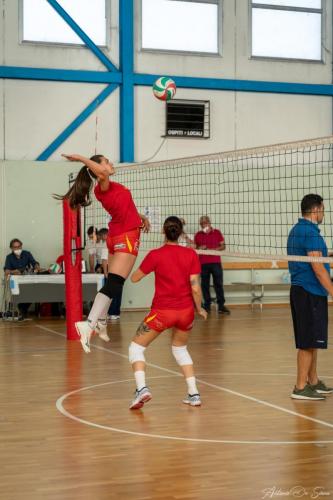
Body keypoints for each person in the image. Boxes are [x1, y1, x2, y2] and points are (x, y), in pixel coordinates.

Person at [56, 153, 150, 352]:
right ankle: (89, 324)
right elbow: (99, 171)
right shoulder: (103, 183)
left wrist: (140, 216)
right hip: (126, 236)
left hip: (117, 234)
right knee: (116, 283)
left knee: (113, 283)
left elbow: (123, 208)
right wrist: (80, 158)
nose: (111, 163)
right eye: (106, 161)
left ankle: (101, 322)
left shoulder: (110, 187)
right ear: (99, 170)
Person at [128, 216, 207, 410]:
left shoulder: (156, 255)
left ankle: (141, 389)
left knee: (135, 349)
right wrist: (200, 309)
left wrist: (131, 256)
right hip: (186, 312)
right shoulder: (191, 254)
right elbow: (195, 287)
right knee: (180, 349)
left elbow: (135, 278)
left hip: (163, 312)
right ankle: (194, 394)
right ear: (181, 232)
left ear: (163, 232)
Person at [287, 193, 333, 400]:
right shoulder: (311, 233)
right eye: (323, 209)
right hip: (309, 292)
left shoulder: (297, 230)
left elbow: (312, 257)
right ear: (315, 210)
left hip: (301, 291)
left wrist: (328, 255)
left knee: (312, 340)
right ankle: (300, 387)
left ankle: (313, 381)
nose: (323, 213)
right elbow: (318, 269)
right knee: (307, 342)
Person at [194, 216, 230, 315]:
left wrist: (213, 250)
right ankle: (207, 306)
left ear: (209, 222)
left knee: (218, 284)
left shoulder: (217, 232)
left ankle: (221, 306)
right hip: (203, 263)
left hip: (215, 262)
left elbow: (223, 246)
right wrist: (199, 248)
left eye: (205, 223)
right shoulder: (198, 235)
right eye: (201, 224)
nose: (203, 225)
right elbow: (195, 248)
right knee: (204, 285)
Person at [4, 238, 40, 318]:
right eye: (15, 247)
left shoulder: (27, 254)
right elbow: (6, 271)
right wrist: (14, 272)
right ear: (12, 248)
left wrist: (37, 266)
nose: (17, 249)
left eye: (19, 246)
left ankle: (22, 308)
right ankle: (22, 309)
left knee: (36, 291)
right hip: (16, 281)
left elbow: (34, 263)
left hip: (27, 280)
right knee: (20, 293)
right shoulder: (9, 257)